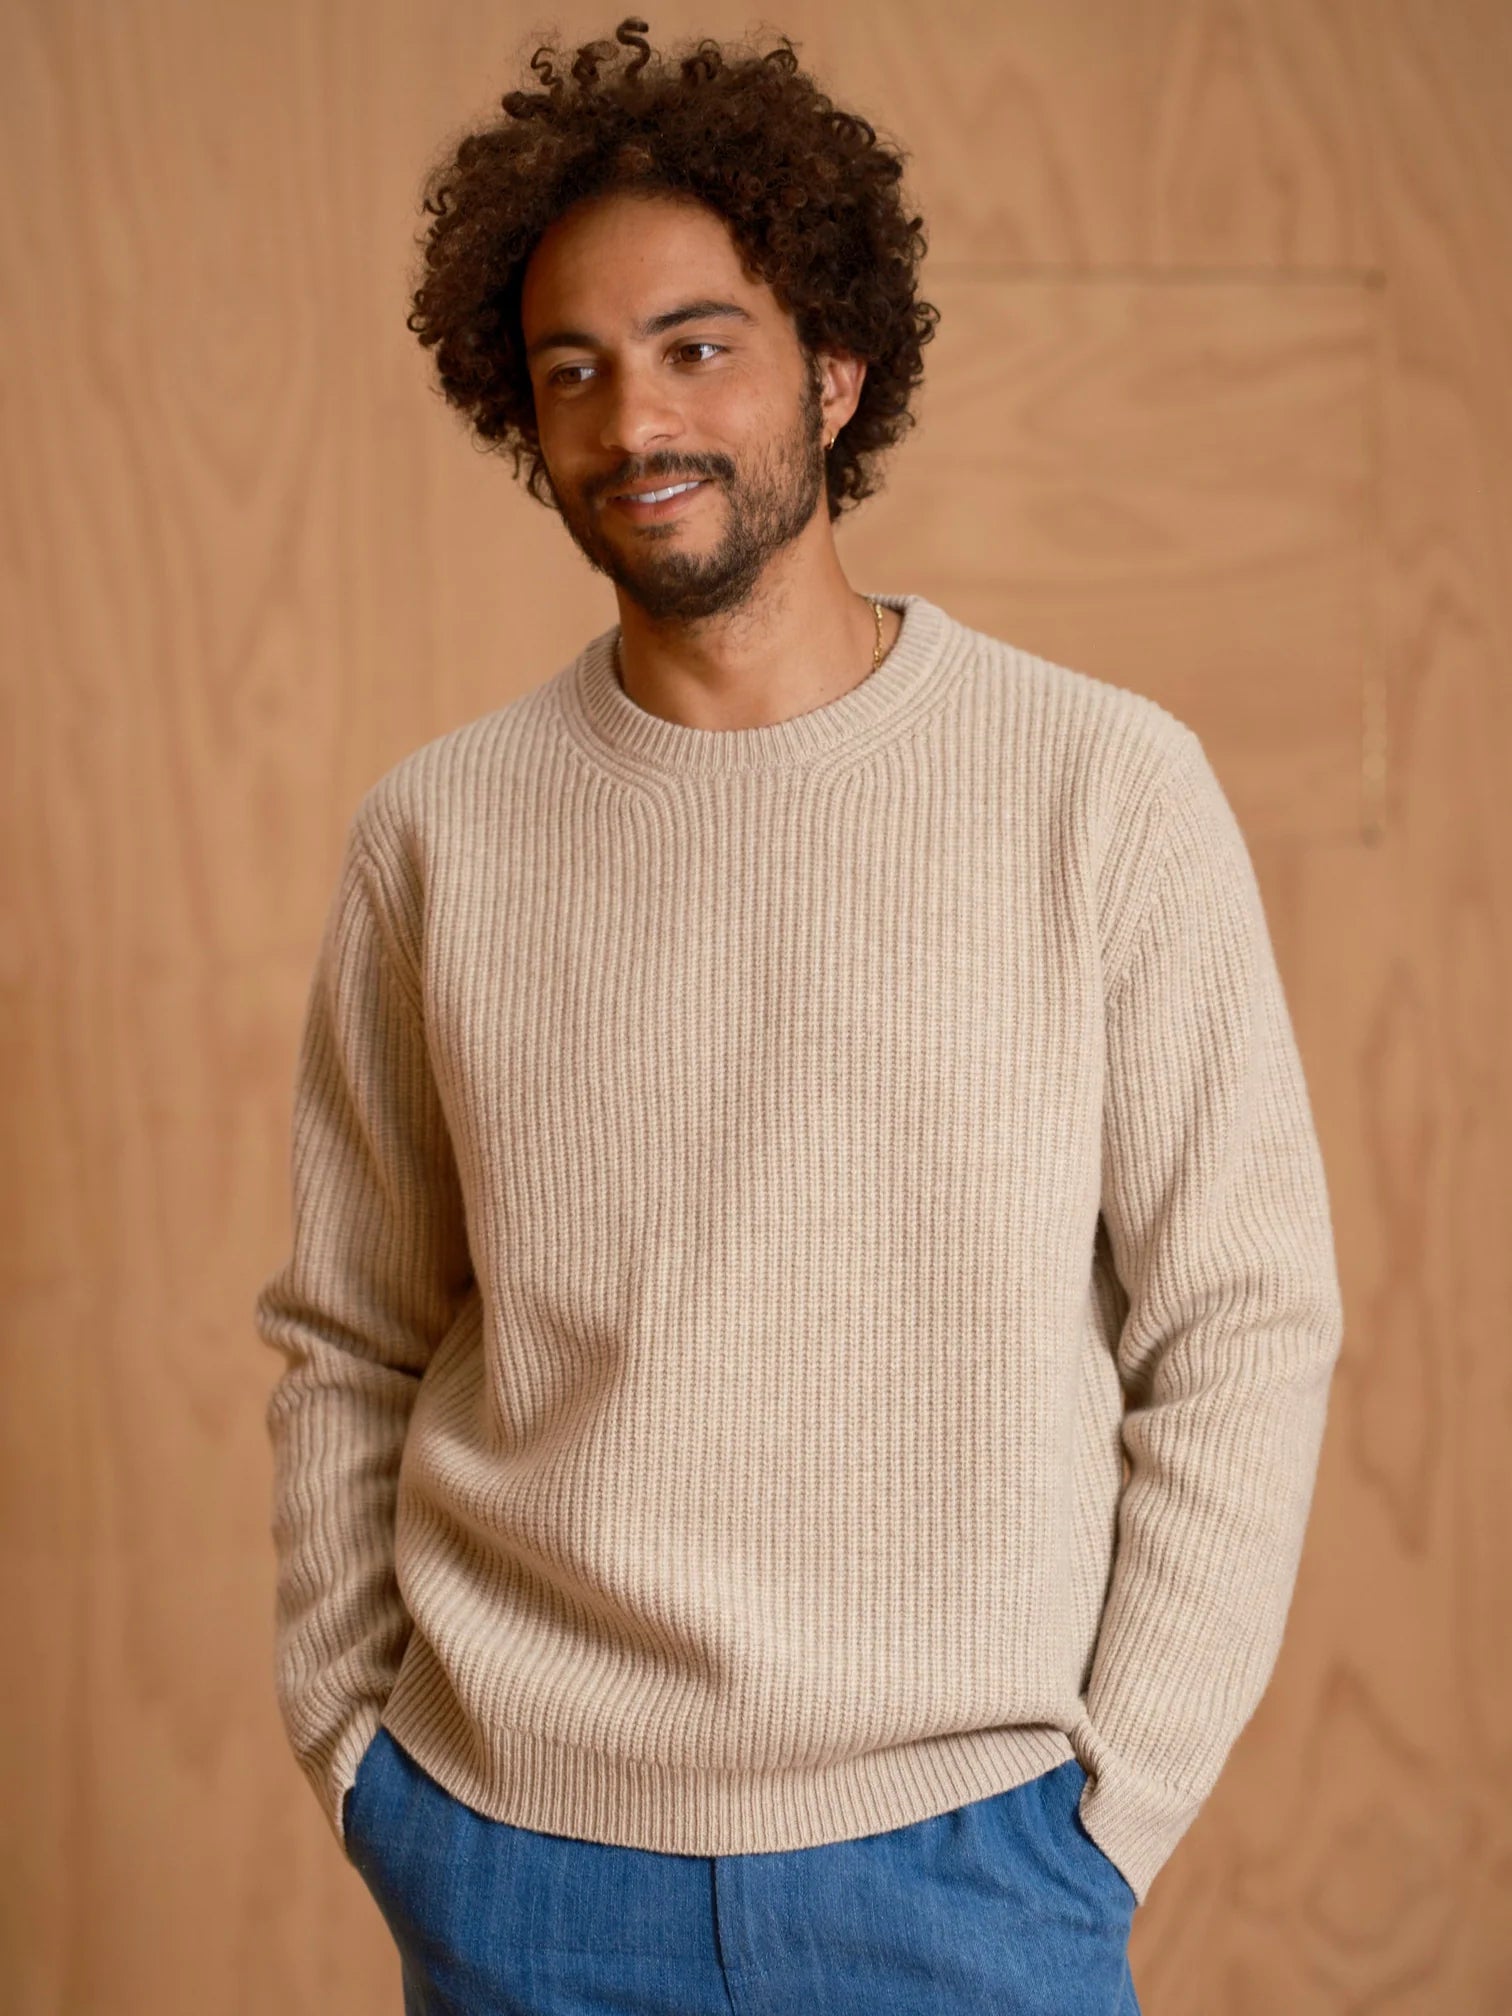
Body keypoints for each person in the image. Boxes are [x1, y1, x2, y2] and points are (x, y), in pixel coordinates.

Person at [253, 18, 1345, 2014]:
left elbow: (1243, 1320)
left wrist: (1114, 1806)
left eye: (698, 347)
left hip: (973, 1865)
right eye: (573, 369)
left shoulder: (1099, 788)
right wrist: (365, 1766)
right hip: (519, 1867)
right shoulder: (437, 837)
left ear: (834, 369)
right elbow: (354, 1334)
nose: (633, 419)